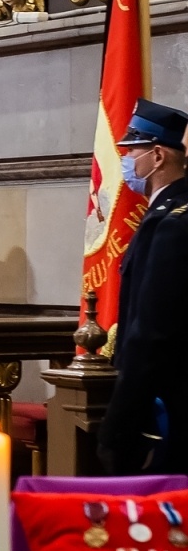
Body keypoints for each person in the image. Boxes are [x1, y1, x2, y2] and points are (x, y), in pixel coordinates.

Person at [100, 99, 188, 474]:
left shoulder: (171, 224)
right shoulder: (168, 214)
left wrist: (120, 423)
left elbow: (151, 333)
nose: (126, 161)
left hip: (168, 402)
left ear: (156, 156)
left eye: (132, 150)